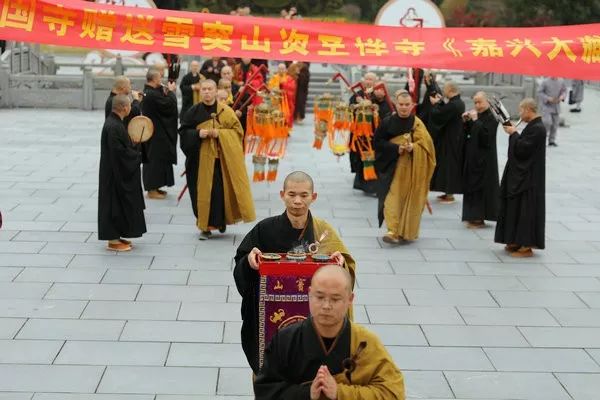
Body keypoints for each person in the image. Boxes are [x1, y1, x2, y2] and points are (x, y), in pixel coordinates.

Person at [233, 171, 356, 374]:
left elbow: (346, 269)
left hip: (313, 314)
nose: (297, 201)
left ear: (313, 197)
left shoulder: (323, 232)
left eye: (304, 195)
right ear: (282, 195)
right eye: (291, 194)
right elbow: (242, 262)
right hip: (272, 316)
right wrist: (249, 262)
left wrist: (340, 266)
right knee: (271, 368)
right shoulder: (264, 229)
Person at [254, 265, 405, 399]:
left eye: (335, 299)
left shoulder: (365, 342)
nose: (326, 306)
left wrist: (339, 392)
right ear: (309, 294)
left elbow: (393, 392)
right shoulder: (286, 340)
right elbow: (264, 391)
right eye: (319, 297)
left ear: (350, 299)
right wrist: (307, 394)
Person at [178, 79, 255, 240]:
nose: (206, 92)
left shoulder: (226, 111)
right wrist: (198, 134)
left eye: (210, 89)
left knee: (220, 193)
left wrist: (220, 134)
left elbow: (237, 132)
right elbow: (184, 132)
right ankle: (204, 227)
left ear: (215, 91)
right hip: (198, 162)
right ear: (200, 92)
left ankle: (220, 222)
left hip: (220, 161)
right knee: (201, 194)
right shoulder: (193, 112)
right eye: (204, 89)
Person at [374, 90, 435, 244]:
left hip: (412, 169)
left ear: (412, 105)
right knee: (391, 198)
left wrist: (413, 147)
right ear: (395, 104)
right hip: (392, 168)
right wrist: (396, 149)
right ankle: (392, 230)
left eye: (407, 105)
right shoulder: (387, 122)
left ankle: (405, 231)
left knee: (409, 199)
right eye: (401, 104)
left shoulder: (417, 123)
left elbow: (427, 146)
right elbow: (377, 143)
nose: (404, 107)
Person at [495, 98, 546, 258]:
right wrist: (514, 133)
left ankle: (526, 245)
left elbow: (523, 150)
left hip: (530, 179)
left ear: (529, 109)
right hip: (525, 176)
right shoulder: (533, 126)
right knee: (517, 208)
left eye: (522, 110)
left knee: (526, 210)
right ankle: (516, 240)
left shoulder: (538, 128)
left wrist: (514, 133)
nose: (520, 113)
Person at [98, 95, 146, 252]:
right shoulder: (114, 126)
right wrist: (136, 154)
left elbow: (121, 149)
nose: (131, 108)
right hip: (113, 174)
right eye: (130, 106)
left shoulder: (115, 123)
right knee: (113, 204)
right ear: (125, 108)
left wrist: (132, 146)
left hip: (114, 171)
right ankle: (112, 240)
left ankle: (116, 236)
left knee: (118, 204)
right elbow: (119, 154)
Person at [461, 91, 500, 228]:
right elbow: (470, 134)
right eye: (475, 102)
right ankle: (472, 215)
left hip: (485, 159)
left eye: (480, 102)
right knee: (471, 186)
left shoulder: (492, 117)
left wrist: (476, 120)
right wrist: (466, 122)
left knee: (481, 188)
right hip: (473, 157)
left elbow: (486, 137)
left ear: (487, 102)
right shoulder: (478, 115)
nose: (477, 105)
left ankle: (479, 217)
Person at [142, 68, 179, 199]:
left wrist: (166, 91)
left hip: (158, 131)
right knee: (153, 159)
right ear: (154, 79)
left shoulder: (151, 92)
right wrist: (172, 92)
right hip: (155, 132)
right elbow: (168, 105)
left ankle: (157, 186)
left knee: (160, 158)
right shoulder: (150, 94)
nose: (161, 80)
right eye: (160, 78)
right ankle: (151, 189)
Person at [428, 81, 466, 204]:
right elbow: (445, 110)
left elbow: (439, 115)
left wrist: (435, 105)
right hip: (451, 138)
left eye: (445, 89)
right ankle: (446, 192)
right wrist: (440, 103)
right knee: (445, 165)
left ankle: (450, 194)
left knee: (450, 166)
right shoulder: (456, 102)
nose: (443, 92)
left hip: (451, 139)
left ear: (450, 90)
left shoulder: (454, 104)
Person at [349, 72, 378, 195]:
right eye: (366, 79)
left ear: (375, 82)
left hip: (372, 132)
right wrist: (357, 105)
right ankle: (360, 183)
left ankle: (371, 185)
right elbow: (350, 107)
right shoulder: (358, 94)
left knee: (370, 158)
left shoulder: (377, 94)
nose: (368, 81)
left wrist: (370, 105)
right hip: (358, 132)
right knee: (359, 157)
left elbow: (380, 107)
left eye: (371, 79)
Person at [537, 76, 566, 147]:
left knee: (555, 124)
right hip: (546, 106)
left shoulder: (561, 81)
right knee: (547, 122)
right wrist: (548, 98)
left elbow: (564, 91)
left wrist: (562, 97)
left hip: (556, 105)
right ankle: (542, 139)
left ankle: (552, 140)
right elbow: (539, 92)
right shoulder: (545, 81)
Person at [268, 63, 297, 128]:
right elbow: (270, 87)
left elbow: (292, 88)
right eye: (280, 69)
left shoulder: (289, 78)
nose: (281, 70)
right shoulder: (274, 77)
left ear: (285, 70)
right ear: (278, 69)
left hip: (286, 101)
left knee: (286, 115)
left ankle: (286, 130)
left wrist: (283, 85)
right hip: (276, 101)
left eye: (283, 69)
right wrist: (275, 89)